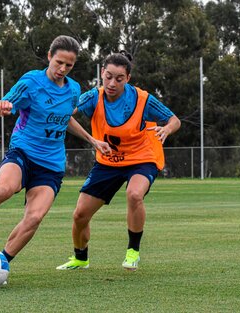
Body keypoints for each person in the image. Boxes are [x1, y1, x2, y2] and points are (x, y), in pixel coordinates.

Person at [0, 35, 111, 267]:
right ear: (49, 56)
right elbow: (0, 106)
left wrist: (92, 140)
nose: (63, 69)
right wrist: (0, 107)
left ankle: (0, 264)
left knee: (35, 217)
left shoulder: (73, 89)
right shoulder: (31, 82)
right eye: (59, 62)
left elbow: (65, 118)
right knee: (5, 189)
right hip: (23, 153)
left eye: (69, 65)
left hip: (51, 165)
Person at [56, 51, 181, 271]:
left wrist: (167, 130)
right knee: (80, 215)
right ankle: (80, 258)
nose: (112, 83)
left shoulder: (142, 99)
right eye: (108, 77)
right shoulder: (93, 97)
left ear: (128, 78)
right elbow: (65, 114)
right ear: (102, 74)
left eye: (119, 78)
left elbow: (174, 120)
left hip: (142, 158)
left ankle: (133, 251)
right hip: (107, 162)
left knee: (134, 194)